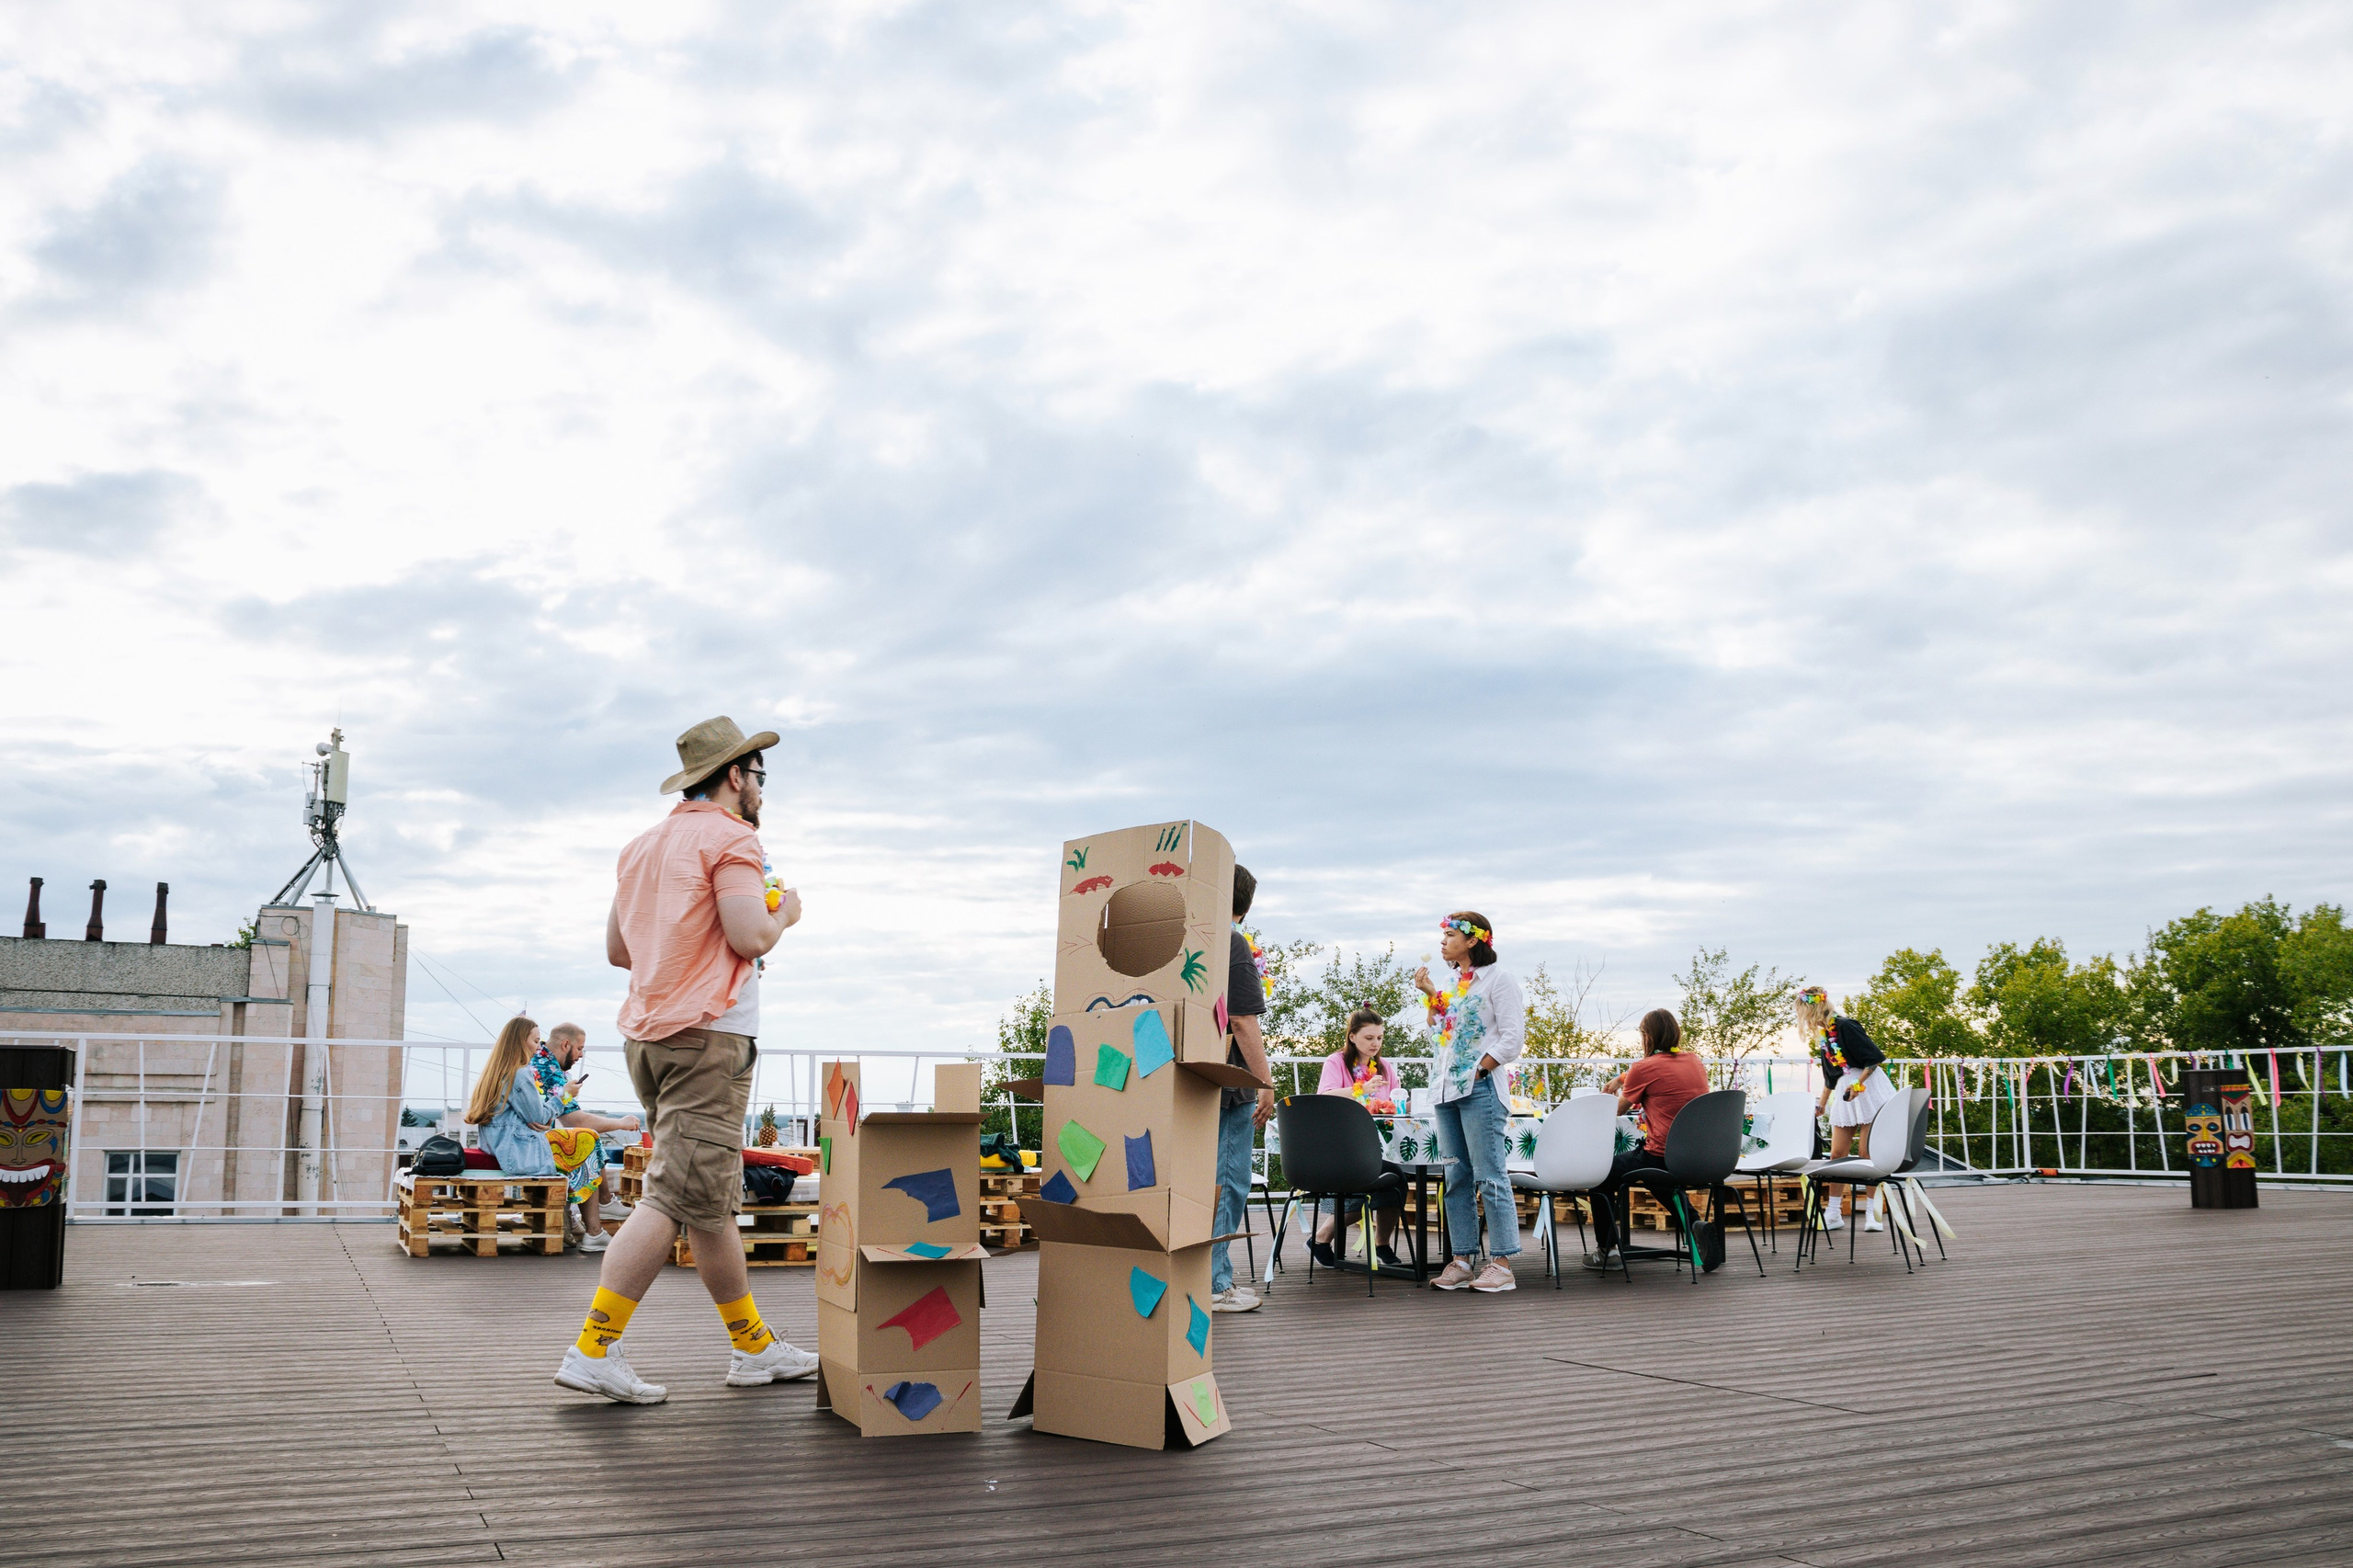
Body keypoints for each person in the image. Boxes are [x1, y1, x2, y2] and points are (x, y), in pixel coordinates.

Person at [553, 716, 813, 1404]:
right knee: (675, 1196)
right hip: (708, 1039)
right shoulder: (733, 838)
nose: (761, 788)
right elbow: (749, 934)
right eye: (759, 775)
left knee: (709, 1200)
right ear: (735, 775)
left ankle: (753, 1346)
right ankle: (593, 1348)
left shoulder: (642, 848)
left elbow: (619, 949)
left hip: (649, 1037)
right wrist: (784, 911)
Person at [1413, 912, 1526, 1292]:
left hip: (1479, 1089)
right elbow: (1437, 1026)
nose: (1442, 941)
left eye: (1449, 935)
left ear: (1473, 940)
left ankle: (1503, 1263)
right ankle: (1462, 1260)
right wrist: (1431, 995)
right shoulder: (1449, 981)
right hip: (1445, 1089)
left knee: (1490, 1174)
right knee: (1456, 1177)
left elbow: (1512, 1039)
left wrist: (1479, 1070)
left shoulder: (1499, 980)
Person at [468, 1017, 607, 1251]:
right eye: (534, 1040)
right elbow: (539, 1117)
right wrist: (565, 1095)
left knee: (579, 1141)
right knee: (587, 1140)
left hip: (499, 1143)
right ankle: (595, 1224)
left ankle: (585, 1223)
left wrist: (543, 1117)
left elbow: (534, 1116)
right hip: (516, 1150)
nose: (538, 1046)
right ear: (520, 1042)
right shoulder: (519, 1074)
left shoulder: (497, 1070)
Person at [1584, 1008, 1709, 1267]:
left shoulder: (1645, 1067)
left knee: (1601, 1173)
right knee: (1656, 1178)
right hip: (1696, 1156)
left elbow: (1619, 1109)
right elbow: (1660, 1074)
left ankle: (1608, 1250)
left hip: (1661, 1155)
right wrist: (1621, 1078)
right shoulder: (1694, 1061)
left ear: (1646, 1037)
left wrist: (1607, 1096)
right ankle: (1696, 1225)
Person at [1208, 864, 1278, 1313]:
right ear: (1245, 905)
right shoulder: (1231, 942)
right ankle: (1214, 1282)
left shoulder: (1191, 940)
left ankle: (1203, 1278)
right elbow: (1242, 1020)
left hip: (1192, 1083)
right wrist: (1265, 1084)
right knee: (1229, 1181)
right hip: (1230, 1086)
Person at [1310, 1007, 1407, 1268]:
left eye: (1379, 1038)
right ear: (1352, 1037)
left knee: (1397, 1178)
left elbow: (1396, 1104)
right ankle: (1321, 1237)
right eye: (1369, 1038)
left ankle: (1381, 1244)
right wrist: (1360, 1089)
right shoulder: (1336, 1062)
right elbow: (1324, 1097)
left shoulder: (1385, 1068)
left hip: (1377, 1145)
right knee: (1372, 1177)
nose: (1375, 1044)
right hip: (1339, 1145)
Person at [533, 1022, 643, 1253]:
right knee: (585, 1138)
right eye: (580, 1049)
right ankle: (599, 1218)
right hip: (529, 1144)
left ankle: (599, 1222)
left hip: (530, 1138)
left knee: (584, 1139)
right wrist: (620, 1124)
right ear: (566, 1044)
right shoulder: (549, 1071)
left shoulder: (545, 1064)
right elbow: (575, 1120)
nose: (581, 1055)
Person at [1797, 985, 1893, 1233]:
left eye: (1804, 1013)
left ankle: (1873, 1214)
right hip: (1844, 1089)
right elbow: (1831, 1076)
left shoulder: (1847, 1026)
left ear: (1813, 1008)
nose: (1805, 1020)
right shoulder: (1825, 1037)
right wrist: (1822, 1103)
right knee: (1837, 1154)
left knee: (1866, 1154)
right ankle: (1833, 1212)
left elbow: (1874, 1058)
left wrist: (1858, 1085)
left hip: (1868, 1088)